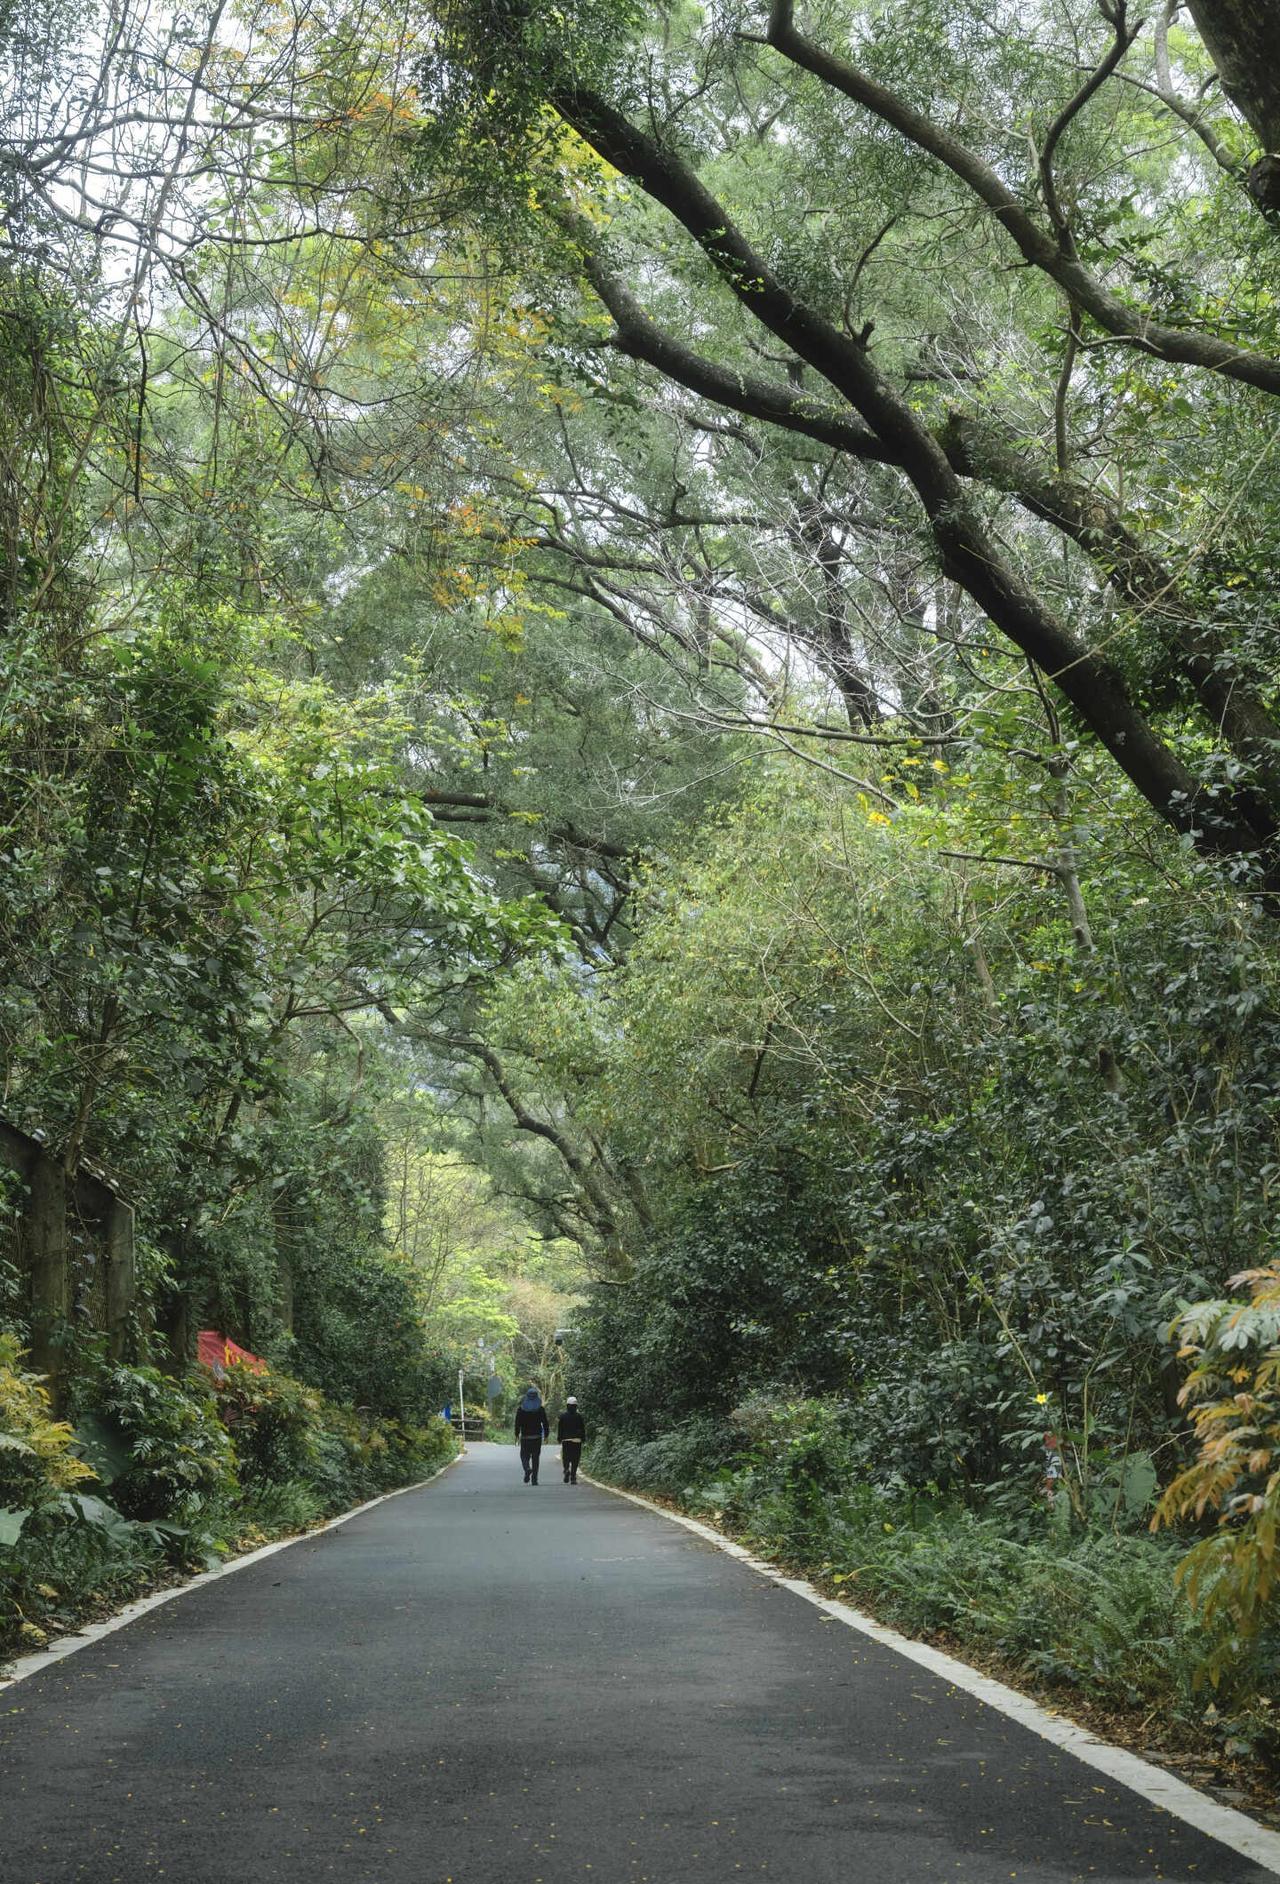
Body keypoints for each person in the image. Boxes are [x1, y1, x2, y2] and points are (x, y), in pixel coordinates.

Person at [514, 1385, 549, 1484]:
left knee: (524, 1455)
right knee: (535, 1458)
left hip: (525, 1437)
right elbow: (545, 1423)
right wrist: (546, 1435)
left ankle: (527, 1469)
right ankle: (534, 1479)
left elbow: (517, 1423)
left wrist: (516, 1435)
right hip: (537, 1437)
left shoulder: (521, 1409)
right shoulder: (540, 1409)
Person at [557, 1396, 586, 1483]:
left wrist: (559, 1438)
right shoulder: (579, 1417)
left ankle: (566, 1469)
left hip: (566, 1440)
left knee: (566, 1457)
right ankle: (573, 1477)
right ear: (576, 1406)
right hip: (577, 1440)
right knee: (575, 1459)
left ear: (567, 1405)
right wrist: (583, 1438)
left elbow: (560, 1429)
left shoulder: (563, 1416)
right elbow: (582, 1428)